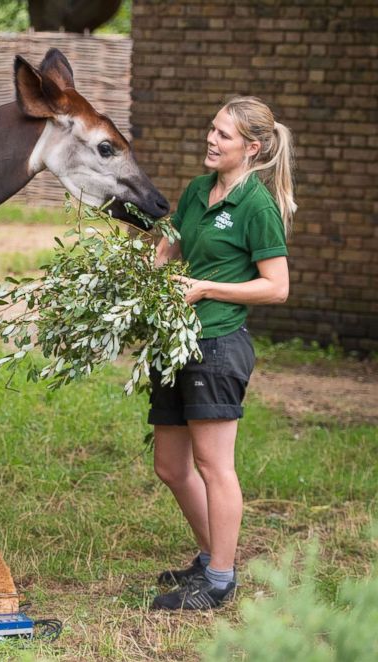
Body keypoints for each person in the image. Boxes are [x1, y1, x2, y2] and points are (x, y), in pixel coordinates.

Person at [148, 96, 295, 610]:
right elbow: (171, 246)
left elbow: (276, 288)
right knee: (170, 464)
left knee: (214, 465)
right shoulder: (196, 191)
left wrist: (206, 289)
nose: (211, 140)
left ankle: (220, 579)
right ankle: (210, 554)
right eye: (211, 129)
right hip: (175, 341)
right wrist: (153, 261)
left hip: (217, 344)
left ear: (251, 148)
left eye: (224, 135)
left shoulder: (256, 207)